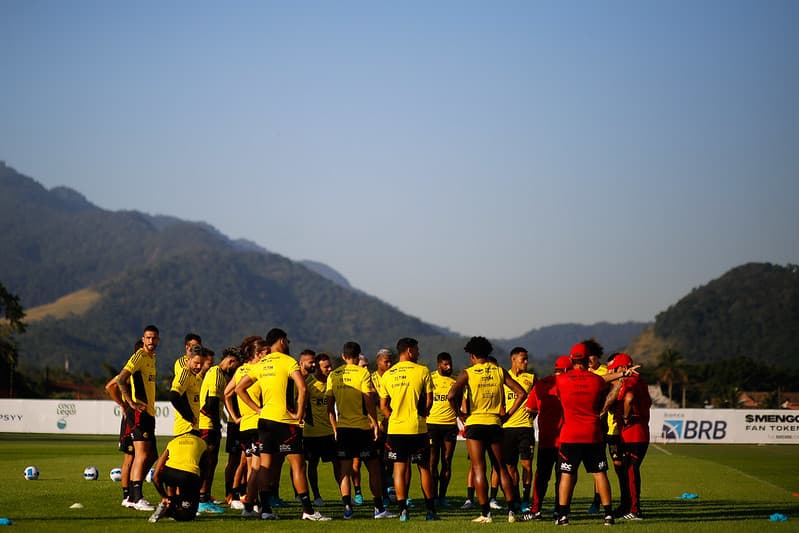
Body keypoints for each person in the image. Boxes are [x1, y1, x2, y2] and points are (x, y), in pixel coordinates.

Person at [235, 328, 330, 521]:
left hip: (265, 421)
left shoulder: (261, 363)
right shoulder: (288, 361)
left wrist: (257, 409)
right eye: (287, 340)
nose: (288, 343)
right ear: (281, 341)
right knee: (298, 465)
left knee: (265, 466)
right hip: (285, 422)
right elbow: (302, 387)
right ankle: (308, 511)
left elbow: (239, 388)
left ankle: (266, 510)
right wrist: (299, 413)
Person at [447, 336, 527, 523]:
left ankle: (485, 514)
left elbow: (451, 395)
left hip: (475, 423)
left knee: (478, 468)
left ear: (473, 355)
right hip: (494, 423)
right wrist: (507, 415)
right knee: (501, 468)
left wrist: (459, 414)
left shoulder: (468, 372)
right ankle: (511, 512)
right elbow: (521, 393)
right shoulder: (499, 370)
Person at [327, 341, 394, 519]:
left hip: (343, 429)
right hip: (362, 429)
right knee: (373, 467)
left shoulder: (333, 375)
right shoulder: (363, 373)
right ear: (358, 357)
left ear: (343, 356)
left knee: (345, 470)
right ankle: (379, 509)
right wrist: (373, 423)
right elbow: (368, 401)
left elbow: (329, 406)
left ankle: (347, 509)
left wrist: (335, 428)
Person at [553, 342, 615, 526]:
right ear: (588, 359)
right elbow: (605, 381)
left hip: (570, 434)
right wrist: (622, 373)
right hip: (593, 433)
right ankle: (608, 515)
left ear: (572, 359)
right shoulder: (596, 380)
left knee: (566, 474)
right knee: (599, 473)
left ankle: (563, 515)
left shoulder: (561, 380)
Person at [378, 338, 437, 522]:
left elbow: (383, 405)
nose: (419, 353)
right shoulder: (422, 370)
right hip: (417, 428)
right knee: (424, 469)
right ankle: (430, 511)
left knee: (399, 470)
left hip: (396, 429)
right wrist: (423, 414)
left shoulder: (387, 374)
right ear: (410, 351)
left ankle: (403, 511)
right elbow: (429, 400)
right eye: (417, 350)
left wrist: (393, 418)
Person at [117, 325, 160, 511]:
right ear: (143, 339)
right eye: (148, 338)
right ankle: (135, 497)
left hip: (149, 414)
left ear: (158, 340)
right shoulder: (139, 356)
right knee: (140, 455)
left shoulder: (151, 359)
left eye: (154, 338)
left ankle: (133, 495)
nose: (151, 341)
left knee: (152, 456)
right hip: (139, 415)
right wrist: (130, 403)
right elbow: (120, 380)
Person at [524, 355, 571, 520]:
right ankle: (560, 510)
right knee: (563, 476)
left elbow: (529, 409)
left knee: (541, 476)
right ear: (566, 370)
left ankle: (536, 510)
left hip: (546, 439)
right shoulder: (570, 383)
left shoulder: (542, 383)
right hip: (565, 439)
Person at [605, 353, 651, 520]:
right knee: (627, 471)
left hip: (632, 433)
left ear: (623, 368)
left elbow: (629, 398)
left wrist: (625, 416)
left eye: (614, 370)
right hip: (640, 432)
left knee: (630, 471)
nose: (613, 374)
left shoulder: (629, 381)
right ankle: (626, 507)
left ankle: (634, 510)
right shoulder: (641, 381)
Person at [196, 345, 242, 513]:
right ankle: (201, 499)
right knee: (207, 462)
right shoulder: (215, 373)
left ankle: (205, 496)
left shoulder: (222, 375)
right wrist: (216, 424)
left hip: (211, 425)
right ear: (231, 360)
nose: (236, 369)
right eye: (236, 365)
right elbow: (210, 403)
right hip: (207, 426)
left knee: (212, 462)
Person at [225, 336, 266, 516]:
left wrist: (235, 416)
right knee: (259, 467)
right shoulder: (258, 370)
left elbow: (227, 394)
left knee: (251, 467)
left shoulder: (240, 370)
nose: (268, 356)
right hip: (258, 424)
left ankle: (253, 503)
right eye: (265, 353)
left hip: (244, 426)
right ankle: (251, 505)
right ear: (257, 354)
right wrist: (258, 409)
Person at [105, 339, 143, 508]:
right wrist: (123, 404)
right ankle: (127, 496)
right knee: (130, 456)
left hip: (139, 416)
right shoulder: (131, 369)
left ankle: (132, 495)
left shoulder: (144, 368)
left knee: (141, 455)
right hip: (131, 417)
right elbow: (110, 386)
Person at [148, 430, 211, 522]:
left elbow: (156, 473)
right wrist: (199, 485)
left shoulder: (173, 442)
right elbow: (207, 466)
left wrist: (164, 496)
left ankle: (169, 504)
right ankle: (169, 511)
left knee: (172, 480)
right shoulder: (201, 442)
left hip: (169, 473)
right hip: (188, 476)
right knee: (188, 516)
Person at [303, 352, 340, 507]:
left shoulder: (334, 381)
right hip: (312, 433)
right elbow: (302, 405)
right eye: (326, 367)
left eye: (330, 365)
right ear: (317, 367)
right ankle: (317, 496)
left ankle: (345, 495)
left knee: (338, 464)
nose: (330, 369)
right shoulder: (308, 384)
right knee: (312, 464)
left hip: (330, 432)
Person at [501, 347, 536, 512]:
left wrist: (532, 415)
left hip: (526, 429)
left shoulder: (531, 378)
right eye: (523, 359)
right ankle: (514, 498)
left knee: (527, 465)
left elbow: (537, 402)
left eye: (527, 359)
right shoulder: (503, 377)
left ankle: (525, 500)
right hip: (507, 429)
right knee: (510, 467)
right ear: (513, 359)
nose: (526, 362)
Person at [427, 351, 458, 508]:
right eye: (446, 364)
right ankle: (432, 496)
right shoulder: (430, 379)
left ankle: (442, 497)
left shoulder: (455, 382)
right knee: (432, 463)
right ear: (438, 364)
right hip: (432, 425)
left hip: (450, 426)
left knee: (446, 462)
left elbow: (461, 403)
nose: (449, 367)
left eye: (450, 364)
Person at [370, 348, 394, 506]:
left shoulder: (394, 376)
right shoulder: (370, 378)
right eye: (386, 361)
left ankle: (394, 490)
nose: (389, 364)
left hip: (393, 425)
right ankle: (384, 494)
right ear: (378, 361)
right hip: (377, 427)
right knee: (378, 463)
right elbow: (370, 402)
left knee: (392, 462)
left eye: (391, 361)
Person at [170, 344, 204, 437]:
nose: (199, 366)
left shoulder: (196, 378)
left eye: (201, 363)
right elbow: (174, 396)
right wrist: (189, 417)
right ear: (188, 359)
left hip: (195, 428)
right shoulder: (184, 372)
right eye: (196, 363)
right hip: (186, 429)